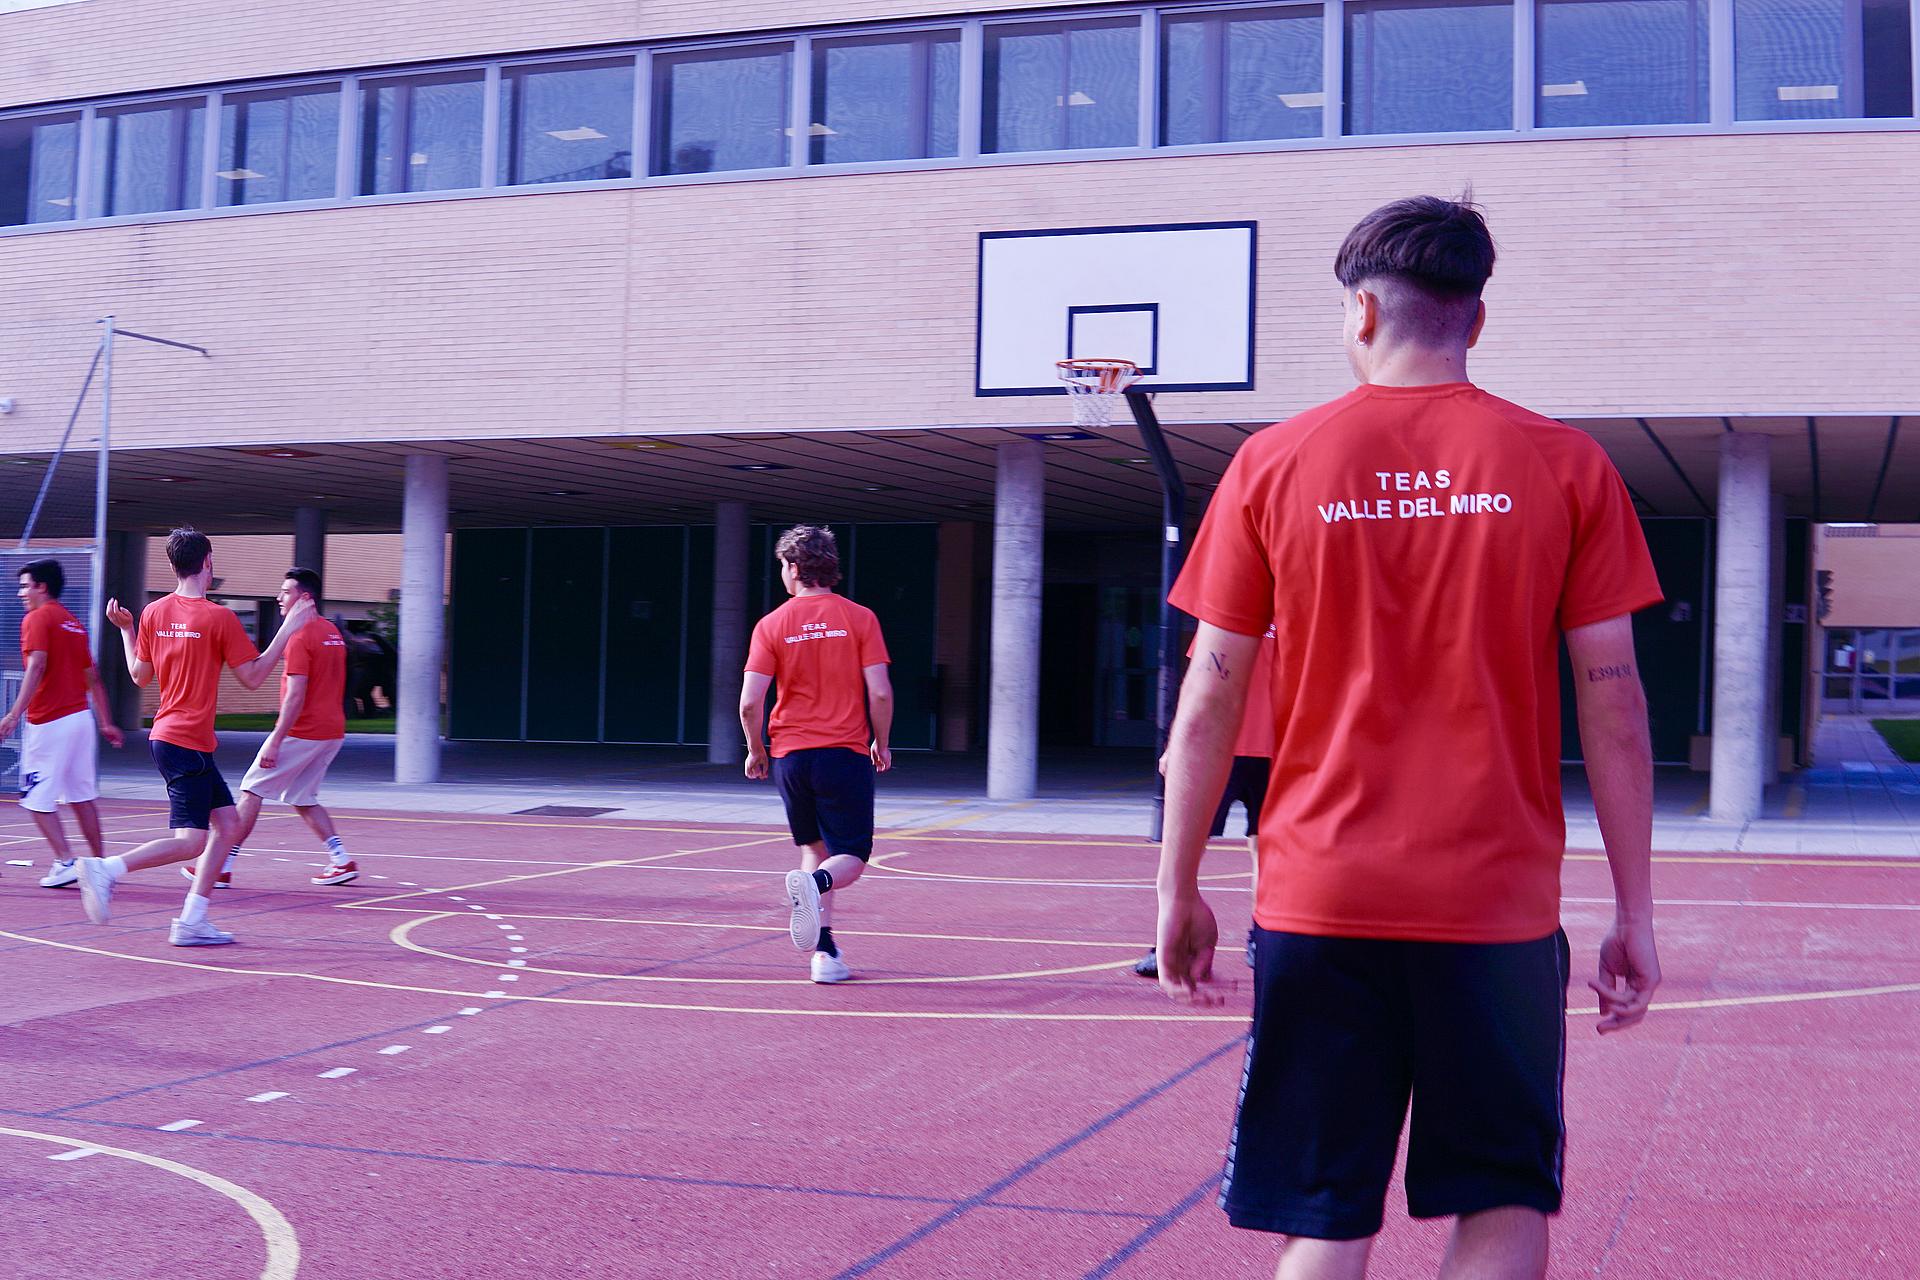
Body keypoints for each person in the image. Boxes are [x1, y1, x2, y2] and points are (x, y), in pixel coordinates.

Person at [1153, 196, 1664, 1280]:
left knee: (1326, 1215)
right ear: (1474, 322)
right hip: (1496, 906)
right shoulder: (1567, 465)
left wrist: (1177, 883)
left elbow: (1207, 702)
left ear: (1362, 311)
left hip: (1319, 896)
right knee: (1503, 1196)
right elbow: (1613, 703)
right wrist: (1635, 908)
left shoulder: (1272, 464)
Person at [80, 528, 312, 945]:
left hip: (178, 740)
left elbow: (139, 676)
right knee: (191, 841)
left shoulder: (153, 612)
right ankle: (107, 869)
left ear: (173, 565)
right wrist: (290, 627)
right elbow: (254, 678)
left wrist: (126, 629)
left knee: (228, 825)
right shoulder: (219, 618)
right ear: (208, 562)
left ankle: (192, 920)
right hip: (182, 740)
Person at [739, 525, 893, 984]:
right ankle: (817, 886)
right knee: (851, 857)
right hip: (842, 752)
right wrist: (881, 743)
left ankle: (824, 955)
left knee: (815, 848)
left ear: (792, 568)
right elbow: (880, 693)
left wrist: (755, 748)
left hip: (791, 755)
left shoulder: (771, 625)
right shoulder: (860, 618)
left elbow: (750, 702)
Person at [181, 567, 358, 889]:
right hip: (332, 731)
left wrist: (275, 740)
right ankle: (341, 860)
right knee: (303, 798)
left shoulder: (299, 636)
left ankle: (221, 865)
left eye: (286, 591)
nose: (279, 597)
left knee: (251, 791)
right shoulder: (332, 632)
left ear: (305, 597)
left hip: (304, 731)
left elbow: (296, 694)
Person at [1134, 625, 1277, 979]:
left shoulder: (1292, 615)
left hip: (1274, 749)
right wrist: (1176, 745)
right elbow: (1200, 681)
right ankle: (1171, 938)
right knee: (1189, 848)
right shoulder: (1232, 616)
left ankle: (1260, 938)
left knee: (1265, 850)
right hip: (1220, 748)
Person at [0, 559, 124, 886]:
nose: (21, 593)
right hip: (81, 719)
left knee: (36, 800)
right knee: (82, 797)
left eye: (25, 585)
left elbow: (37, 666)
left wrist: (13, 714)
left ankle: (65, 861)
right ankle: (100, 865)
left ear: (42, 586)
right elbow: (93, 678)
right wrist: (106, 722)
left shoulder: (37, 618)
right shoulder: (73, 623)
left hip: (51, 720)